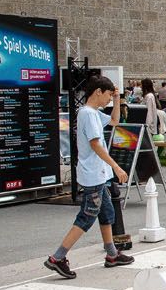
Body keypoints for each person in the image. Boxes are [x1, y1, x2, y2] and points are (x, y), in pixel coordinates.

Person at [43, 78, 133, 278]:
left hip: (97, 174)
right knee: (87, 216)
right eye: (108, 95)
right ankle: (57, 257)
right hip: (93, 173)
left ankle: (112, 254)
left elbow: (114, 121)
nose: (109, 100)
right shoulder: (87, 114)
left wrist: (118, 99)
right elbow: (95, 144)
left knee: (106, 212)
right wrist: (116, 166)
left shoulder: (90, 113)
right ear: (98, 92)